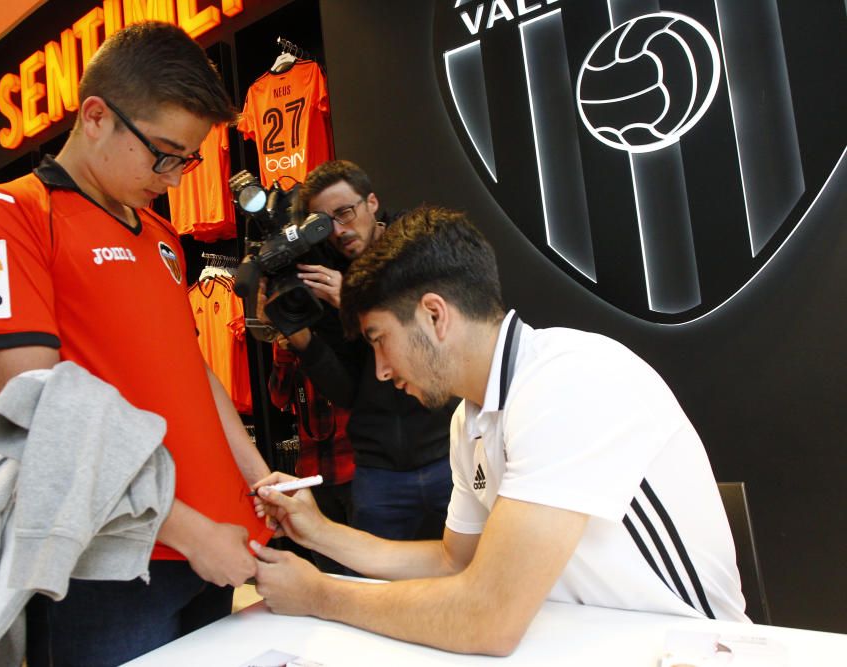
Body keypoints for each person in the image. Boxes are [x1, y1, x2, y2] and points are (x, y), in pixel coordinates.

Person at [250, 206, 749, 656]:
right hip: (585, 646)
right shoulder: (471, 418)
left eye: (381, 341)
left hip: (688, 650)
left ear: (434, 315)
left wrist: (320, 595)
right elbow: (453, 562)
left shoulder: (568, 380)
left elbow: (487, 618)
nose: (380, 370)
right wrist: (320, 533)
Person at [0, 22, 271, 665]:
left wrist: (260, 480)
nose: (175, 178)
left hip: (218, 543)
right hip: (112, 559)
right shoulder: (4, 218)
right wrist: (191, 530)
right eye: (165, 154)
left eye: (189, 160)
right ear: (95, 116)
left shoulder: (161, 235)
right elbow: (35, 413)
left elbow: (192, 369)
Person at [271, 160, 455, 541]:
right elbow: (348, 392)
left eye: (345, 213)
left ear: (372, 202)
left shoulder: (420, 248)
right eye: (324, 223)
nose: (339, 231)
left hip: (448, 453)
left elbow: (444, 341)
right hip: (378, 470)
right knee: (378, 588)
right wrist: (303, 339)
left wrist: (357, 304)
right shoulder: (324, 278)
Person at [268, 333, 354, 573]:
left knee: (366, 565)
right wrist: (285, 353)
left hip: (355, 466)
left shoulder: (338, 331)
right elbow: (278, 397)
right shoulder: (288, 340)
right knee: (328, 563)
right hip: (313, 468)